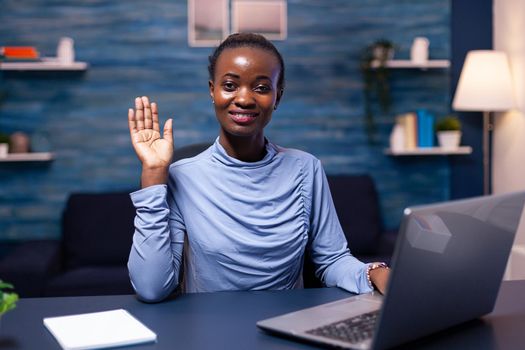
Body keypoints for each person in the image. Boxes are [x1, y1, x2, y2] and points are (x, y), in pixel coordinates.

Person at [127, 33, 389, 302]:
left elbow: (332, 259)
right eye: (229, 85)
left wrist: (374, 273)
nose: (244, 99)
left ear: (278, 97)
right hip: (211, 329)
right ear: (212, 90)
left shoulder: (306, 169)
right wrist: (154, 173)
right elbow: (151, 288)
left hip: (288, 327)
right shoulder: (182, 176)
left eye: (262, 88)